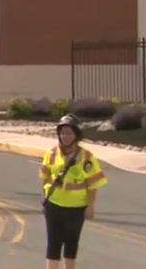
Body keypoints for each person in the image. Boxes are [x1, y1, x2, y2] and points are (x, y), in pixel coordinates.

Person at [38, 114, 108, 269]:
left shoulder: (87, 157)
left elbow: (93, 185)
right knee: (53, 243)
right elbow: (45, 178)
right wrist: (45, 200)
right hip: (54, 205)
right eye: (62, 133)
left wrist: (90, 207)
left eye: (69, 133)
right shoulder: (51, 154)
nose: (65, 136)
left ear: (76, 135)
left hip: (76, 208)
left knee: (71, 242)